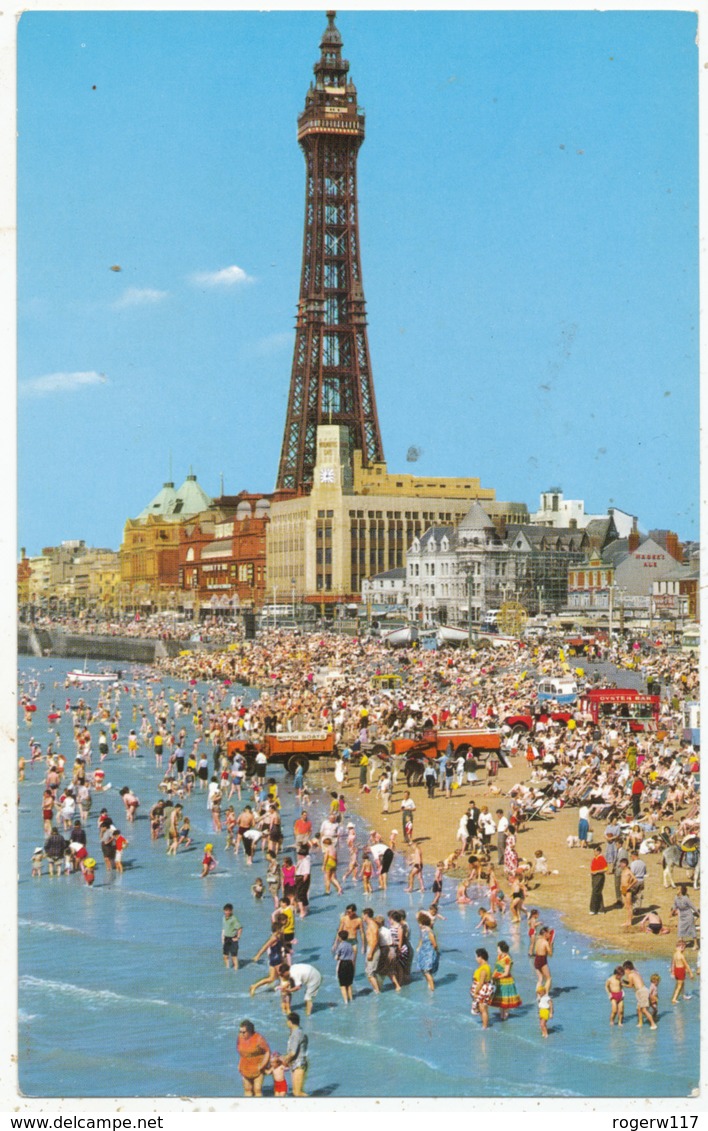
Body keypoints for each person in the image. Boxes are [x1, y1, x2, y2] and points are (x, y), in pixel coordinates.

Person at [236, 1020, 271, 1097]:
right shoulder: (240, 1038)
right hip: (245, 1067)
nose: (241, 1034)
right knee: (247, 1089)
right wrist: (239, 1064)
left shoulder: (259, 1039)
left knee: (257, 1090)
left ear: (249, 1031)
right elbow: (242, 1052)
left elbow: (267, 1051)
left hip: (257, 1067)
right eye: (240, 1031)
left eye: (243, 1032)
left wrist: (262, 1065)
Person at [250, 921, 286, 995]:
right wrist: (258, 955)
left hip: (273, 959)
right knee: (283, 976)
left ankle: (254, 986)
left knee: (271, 978)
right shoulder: (274, 938)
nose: (284, 929)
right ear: (278, 929)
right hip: (276, 959)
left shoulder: (279, 937)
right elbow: (265, 946)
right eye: (282, 928)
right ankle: (283, 992)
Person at [490, 940, 521, 1019]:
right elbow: (496, 968)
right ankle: (502, 1016)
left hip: (506, 982)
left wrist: (497, 977)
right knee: (501, 1001)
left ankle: (505, 1017)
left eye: (498, 949)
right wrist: (492, 977)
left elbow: (506, 973)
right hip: (499, 981)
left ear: (501, 949)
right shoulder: (499, 957)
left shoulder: (507, 959)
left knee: (505, 1001)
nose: (497, 950)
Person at [622, 962, 657, 1030]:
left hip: (642, 992)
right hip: (641, 991)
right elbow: (634, 983)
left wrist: (622, 984)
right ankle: (640, 1023)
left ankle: (653, 1024)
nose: (625, 973)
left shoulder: (630, 975)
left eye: (624, 970)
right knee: (638, 1009)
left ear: (627, 969)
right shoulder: (636, 972)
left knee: (644, 1010)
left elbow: (630, 985)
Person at [281, 1012, 308, 1097]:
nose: (286, 1023)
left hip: (299, 1064)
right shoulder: (297, 1032)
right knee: (296, 1092)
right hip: (295, 1064)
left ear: (290, 1022)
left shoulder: (296, 1033)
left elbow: (292, 1053)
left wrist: (283, 1059)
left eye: (287, 1021)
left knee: (297, 1092)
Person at [470, 947, 493, 1029]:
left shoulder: (484, 969)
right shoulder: (486, 966)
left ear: (480, 957)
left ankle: (484, 1026)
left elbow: (481, 982)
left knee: (482, 1008)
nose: (476, 959)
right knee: (482, 1008)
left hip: (483, 989)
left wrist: (476, 992)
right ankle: (485, 1024)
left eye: (476, 957)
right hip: (484, 988)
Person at [415, 910, 439, 991]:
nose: (419, 925)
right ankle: (430, 983)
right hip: (424, 952)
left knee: (426, 971)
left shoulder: (429, 932)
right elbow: (421, 939)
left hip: (429, 953)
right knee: (424, 970)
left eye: (419, 923)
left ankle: (432, 988)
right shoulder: (424, 931)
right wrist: (419, 947)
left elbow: (434, 944)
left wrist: (436, 953)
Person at [362, 907, 381, 994]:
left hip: (373, 949)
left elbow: (375, 940)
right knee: (370, 972)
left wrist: (370, 953)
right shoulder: (369, 925)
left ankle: (377, 991)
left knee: (370, 973)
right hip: (371, 948)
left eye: (363, 915)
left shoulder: (373, 925)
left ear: (366, 915)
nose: (362, 917)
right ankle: (377, 989)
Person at [334, 929, 355, 1004]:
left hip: (343, 964)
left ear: (340, 938)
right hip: (350, 964)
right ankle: (351, 999)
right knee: (349, 983)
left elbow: (336, 957)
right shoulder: (350, 945)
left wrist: (338, 957)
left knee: (342, 984)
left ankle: (346, 1001)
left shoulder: (340, 946)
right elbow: (353, 955)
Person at [222, 903, 243, 970]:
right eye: (226, 910)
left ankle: (236, 970)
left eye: (228, 910)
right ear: (224, 910)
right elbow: (224, 928)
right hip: (226, 938)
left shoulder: (234, 919)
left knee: (234, 956)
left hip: (233, 938)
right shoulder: (223, 918)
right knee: (225, 956)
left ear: (231, 911)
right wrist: (222, 937)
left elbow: (240, 928)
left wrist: (238, 937)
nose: (227, 912)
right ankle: (227, 968)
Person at [589, 844, 608, 915]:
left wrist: (597, 871)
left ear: (599, 851)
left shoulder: (601, 858)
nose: (594, 853)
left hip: (599, 876)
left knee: (595, 892)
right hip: (594, 876)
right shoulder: (595, 858)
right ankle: (600, 909)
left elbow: (605, 869)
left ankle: (593, 909)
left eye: (595, 851)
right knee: (597, 892)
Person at [533, 926, 553, 993]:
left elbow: (536, 950)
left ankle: (538, 995)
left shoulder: (538, 940)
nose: (550, 935)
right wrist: (551, 945)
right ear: (545, 934)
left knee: (540, 978)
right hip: (542, 959)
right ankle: (546, 994)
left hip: (536, 959)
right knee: (548, 978)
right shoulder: (545, 942)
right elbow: (550, 954)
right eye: (549, 933)